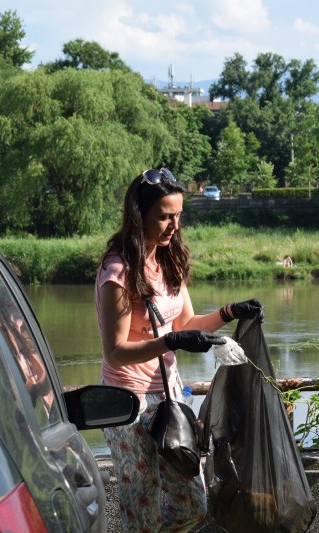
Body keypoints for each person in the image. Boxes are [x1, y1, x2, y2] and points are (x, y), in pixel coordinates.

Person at [95, 167, 263, 531]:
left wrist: (229, 312)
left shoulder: (166, 258)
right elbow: (116, 351)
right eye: (165, 216)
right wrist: (170, 342)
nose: (174, 225)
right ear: (138, 215)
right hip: (127, 401)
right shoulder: (118, 272)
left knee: (193, 504)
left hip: (170, 395)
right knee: (141, 506)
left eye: (178, 216)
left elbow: (186, 324)